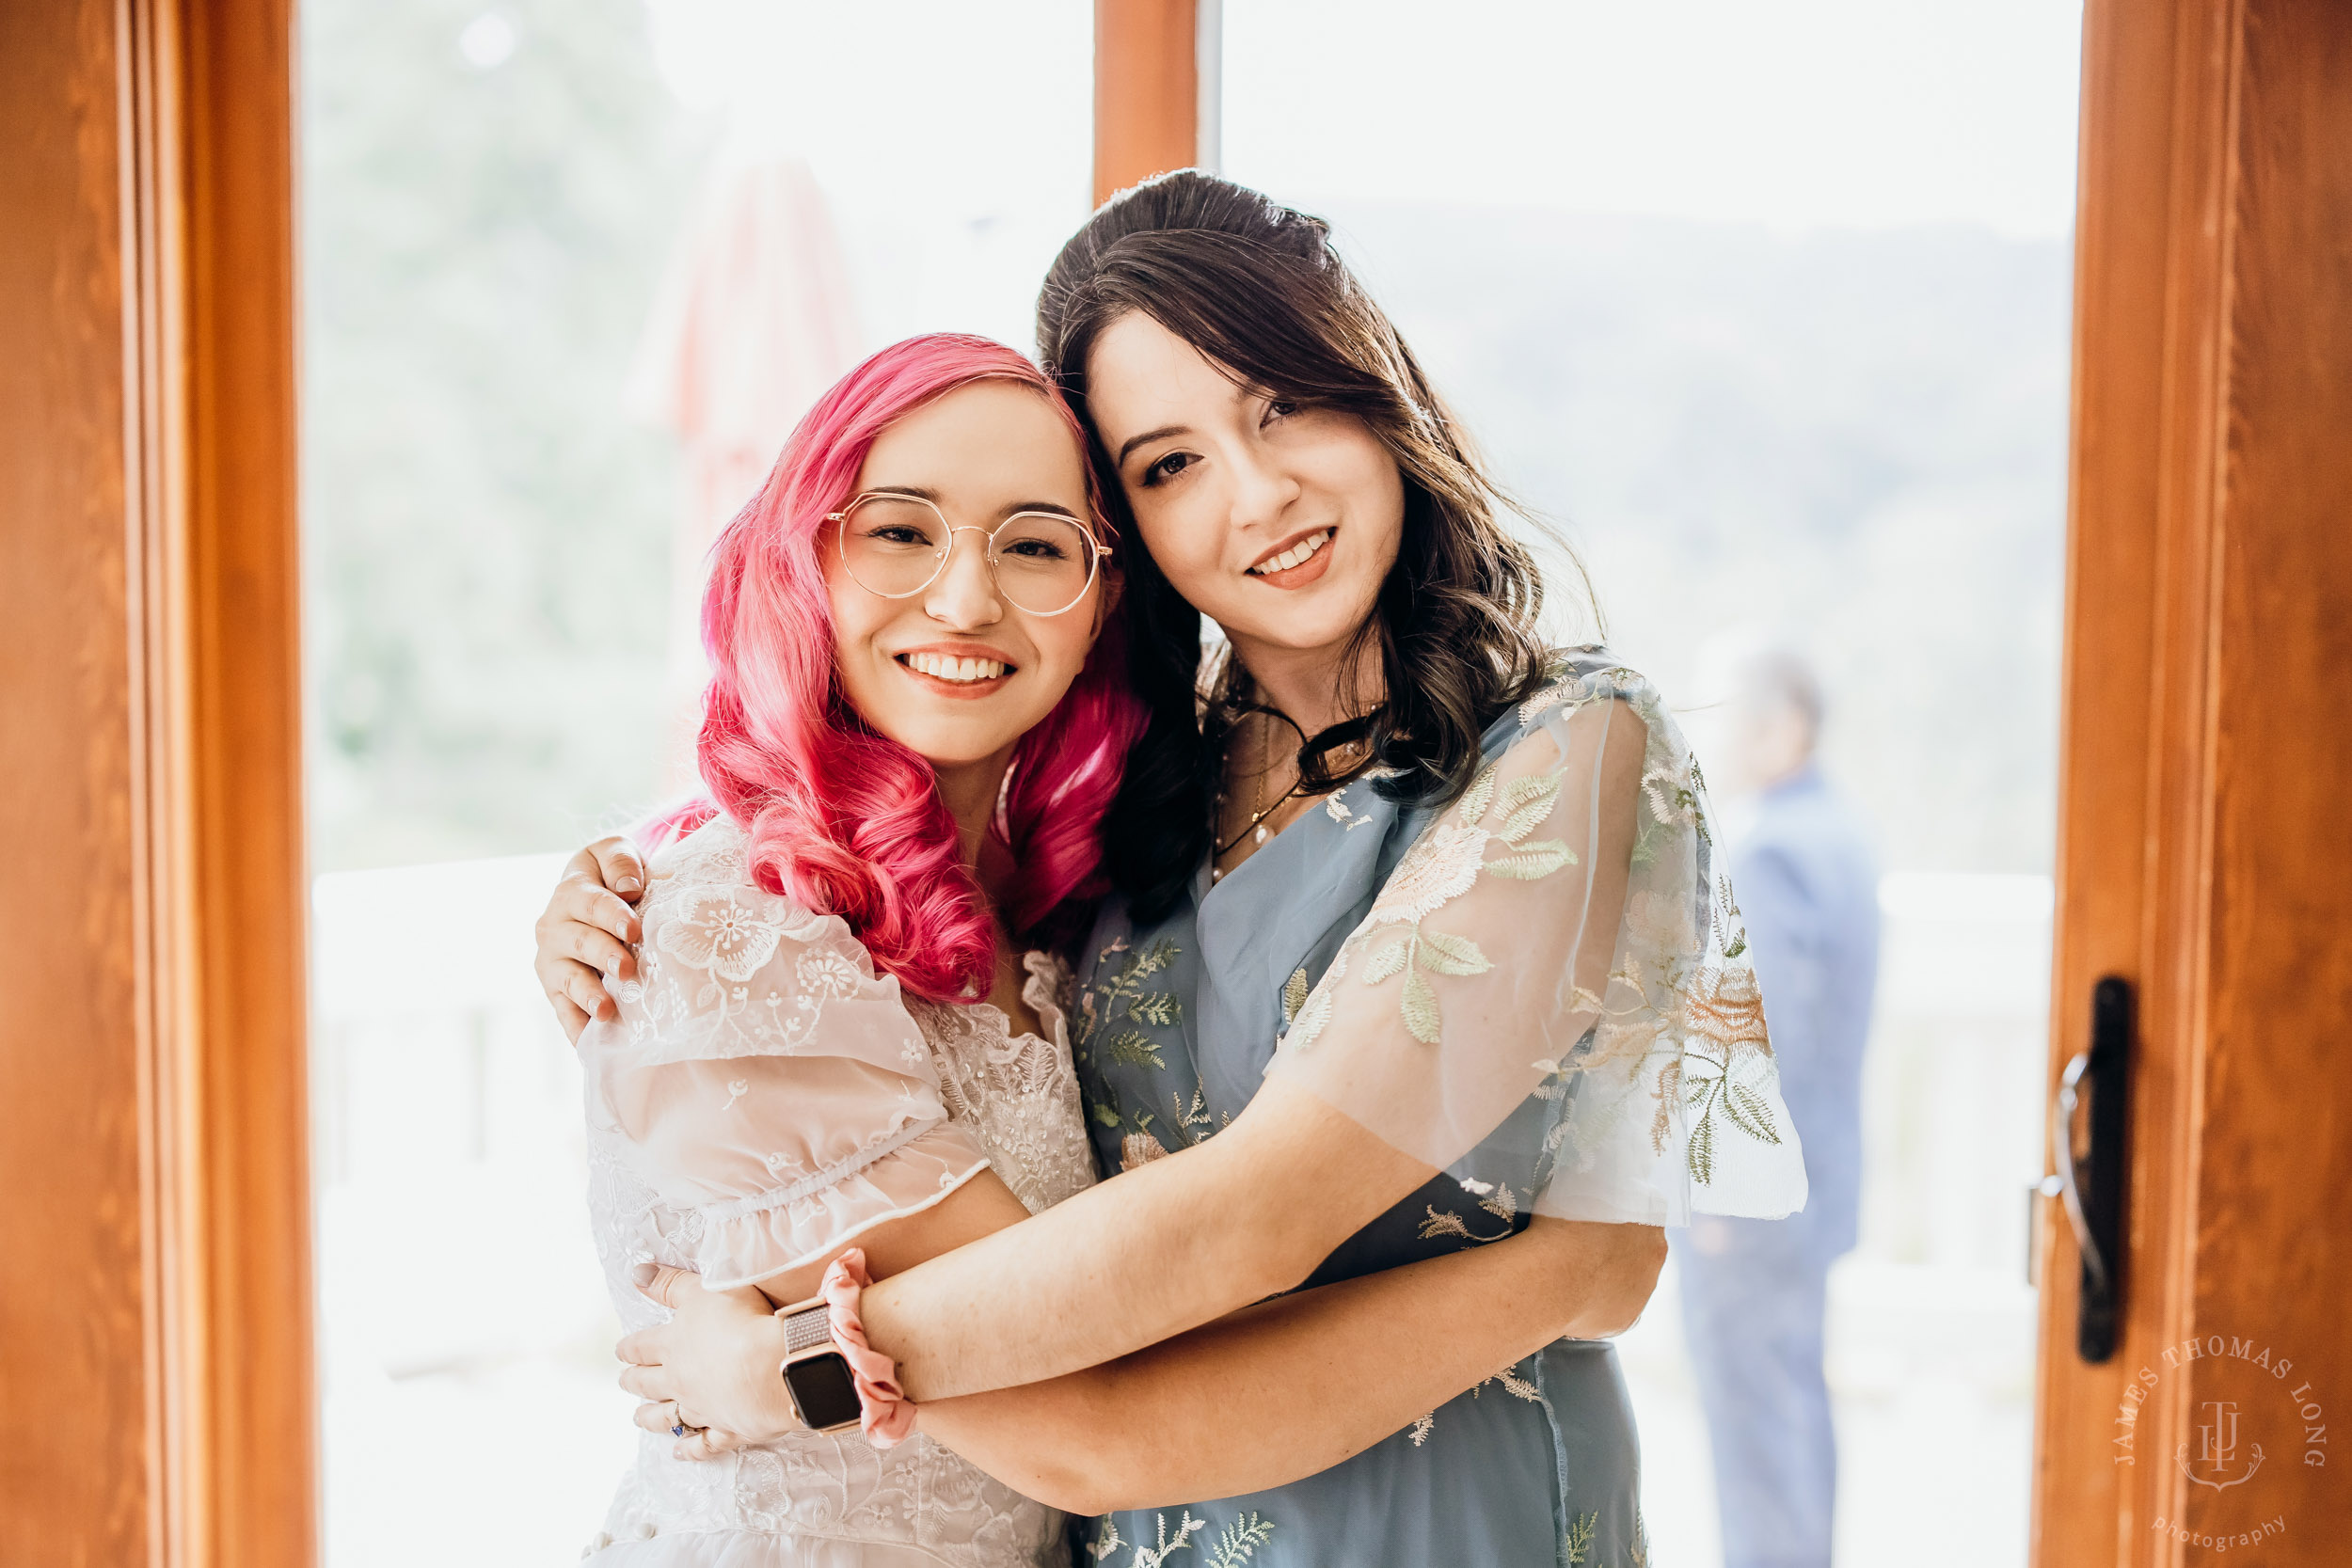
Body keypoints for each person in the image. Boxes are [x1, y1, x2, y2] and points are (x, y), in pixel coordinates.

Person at [537, 173, 1808, 1568]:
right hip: (1133, 1526)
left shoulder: (1566, 743)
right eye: (1168, 464)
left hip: (1434, 1512)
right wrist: (616, 897)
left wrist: (798, 1367)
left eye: (1281, 405)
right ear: (1121, 532)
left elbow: (1256, 1214)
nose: (1256, 495)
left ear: (1376, 392)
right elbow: (877, 993)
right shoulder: (1138, 792)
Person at [1672, 638, 1881, 1568]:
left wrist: (1719, 1189)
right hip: (1819, 1175)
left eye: (1730, 717)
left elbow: (1757, 1036)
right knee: (1793, 1410)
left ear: (1780, 727)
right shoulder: (1839, 832)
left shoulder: (1766, 849)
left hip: (1754, 1196)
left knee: (1754, 1427)